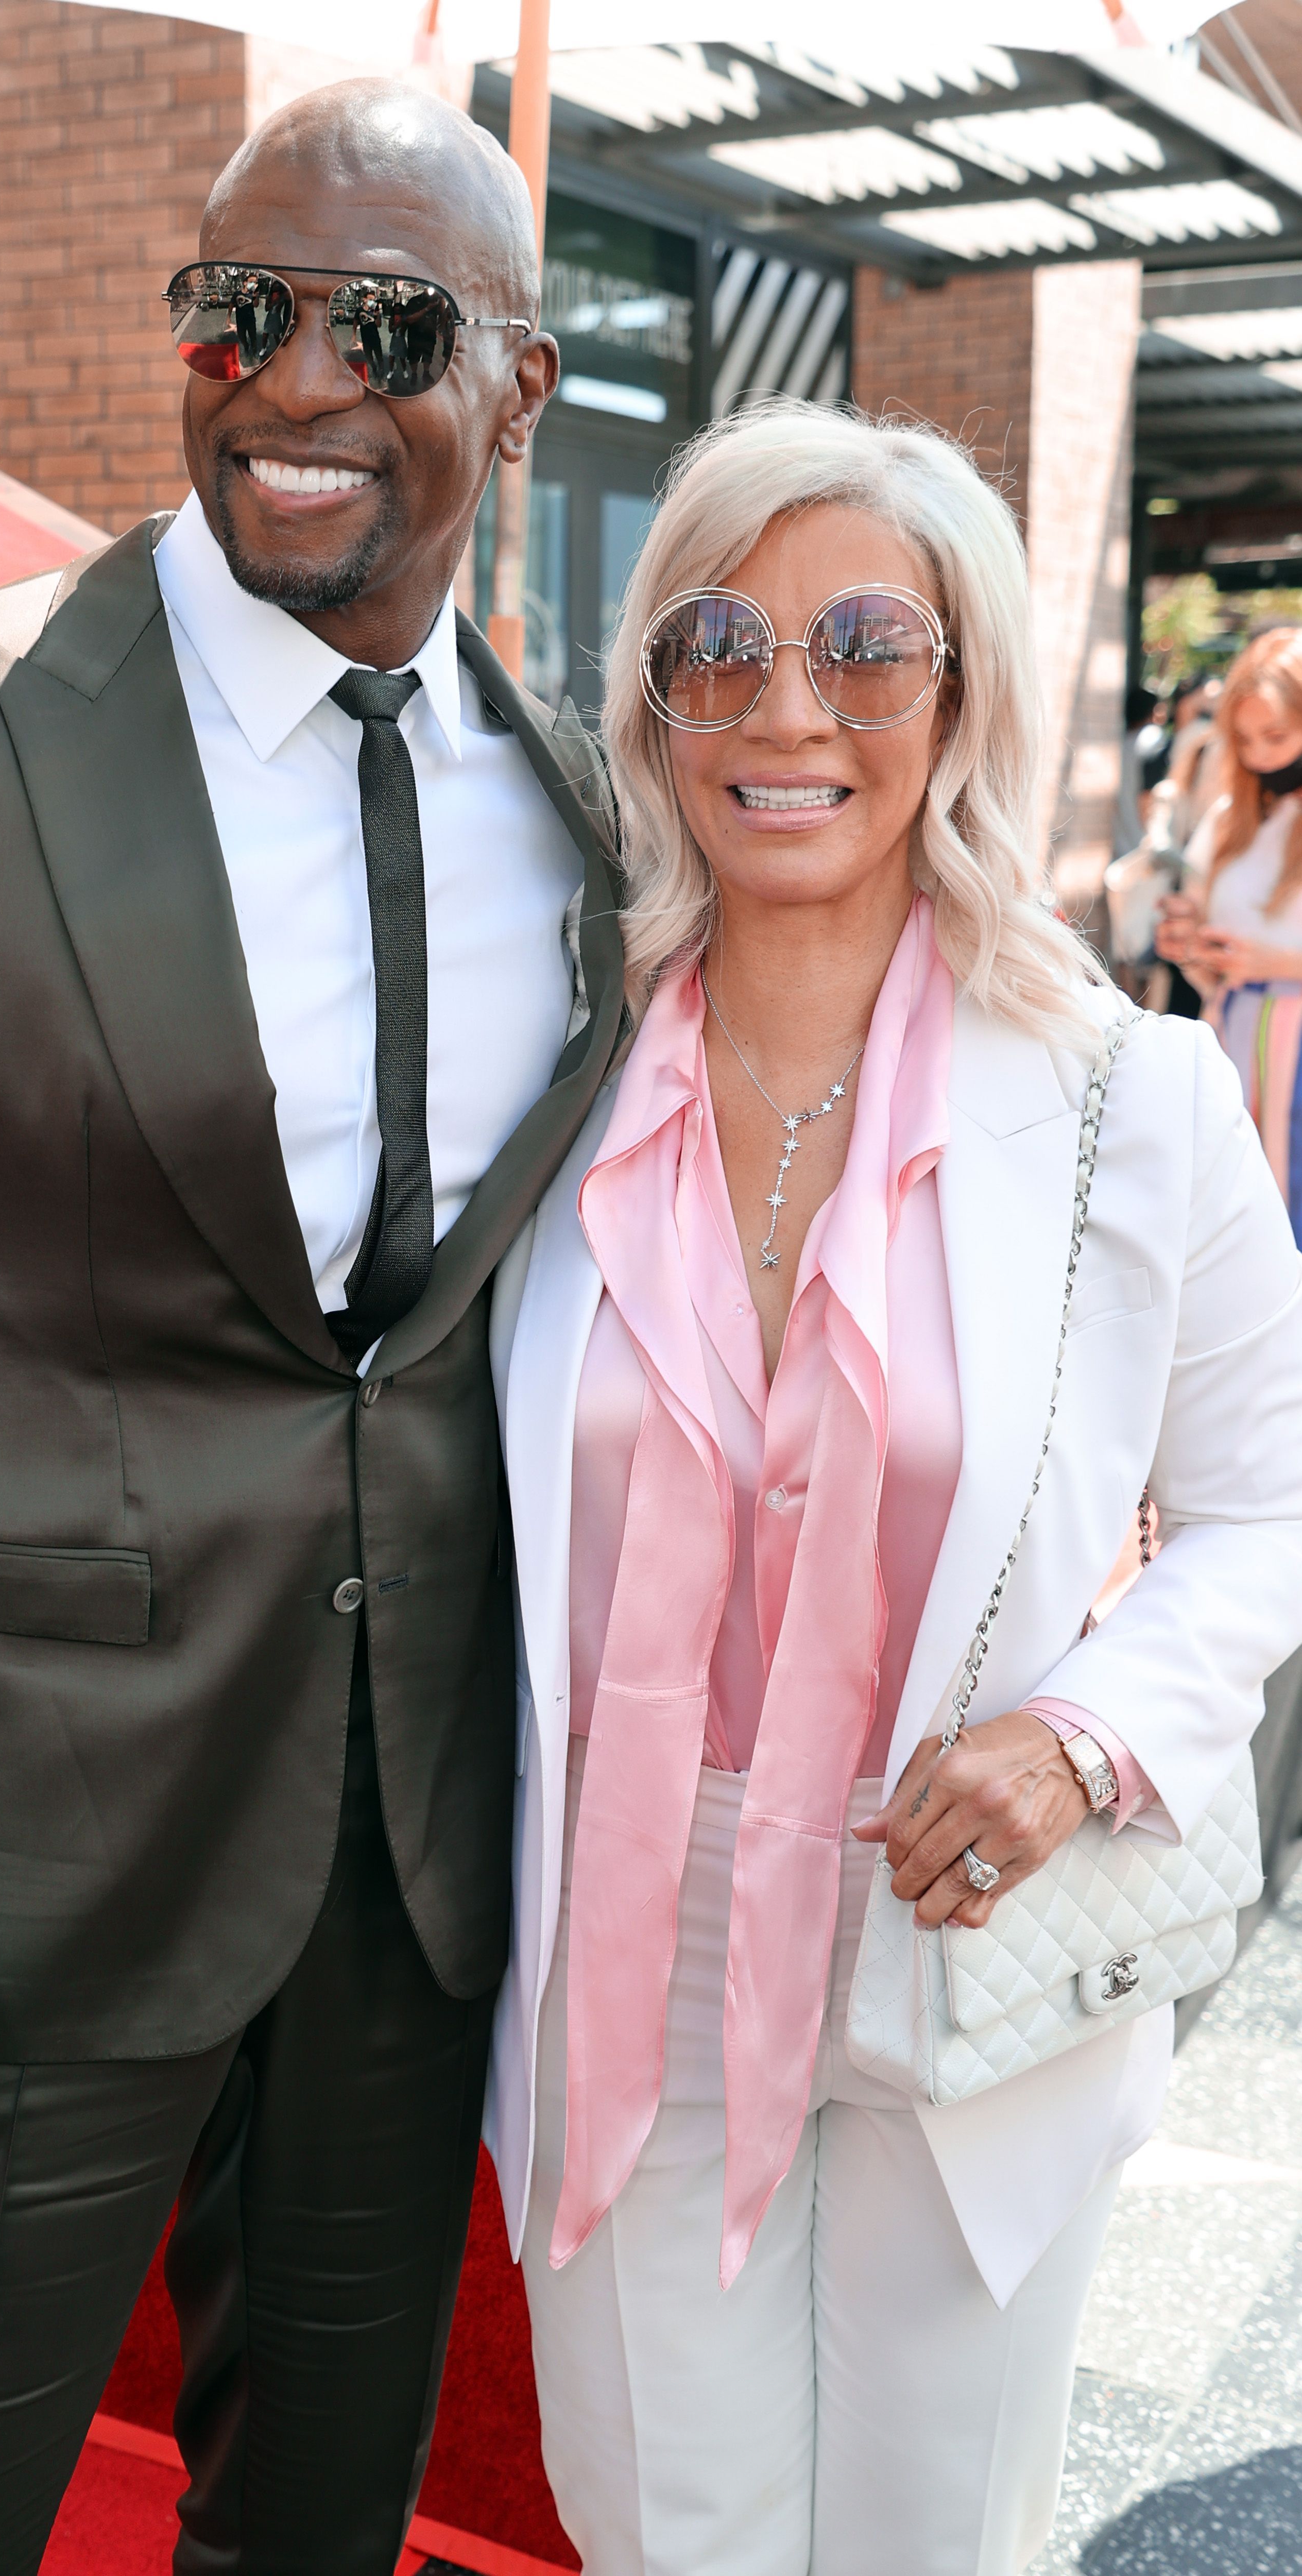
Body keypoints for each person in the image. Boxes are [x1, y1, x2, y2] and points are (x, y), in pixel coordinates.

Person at [0, 79, 624, 2576]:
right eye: (232, 308)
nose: (288, 382)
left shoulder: (582, 807)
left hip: (402, 1888)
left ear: (521, 384)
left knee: (319, 2534)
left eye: (380, 324)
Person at [487, 400, 1302, 2574]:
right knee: (669, 2531)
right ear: (654, 700)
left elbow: (1268, 1505)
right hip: (617, 1934)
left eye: (866, 640)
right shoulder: (540, 1094)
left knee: (934, 2541)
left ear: (960, 694)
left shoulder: (1134, 1103)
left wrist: (1082, 1731)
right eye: (718, 642)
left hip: (970, 1925)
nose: (789, 704)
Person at [1156, 626, 1302, 1240]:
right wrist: (1190, 947)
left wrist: (1279, 962)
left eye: (1277, 735)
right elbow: (1213, 963)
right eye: (1244, 740)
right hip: (1232, 1040)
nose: (1262, 755)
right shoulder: (1228, 818)